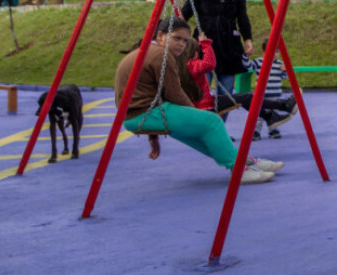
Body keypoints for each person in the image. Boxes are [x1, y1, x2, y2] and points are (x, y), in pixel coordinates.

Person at [115, 17, 282, 184]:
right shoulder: (161, 55)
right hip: (147, 113)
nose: (181, 44)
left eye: (185, 40)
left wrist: (154, 137)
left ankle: (246, 162)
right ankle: (239, 170)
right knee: (211, 121)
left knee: (201, 134)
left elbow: (150, 95)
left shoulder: (146, 51)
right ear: (160, 36)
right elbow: (174, 93)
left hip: (138, 116)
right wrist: (197, 114)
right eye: (177, 38)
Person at [177, 34, 297, 139]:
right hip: (205, 106)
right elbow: (209, 63)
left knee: (245, 98)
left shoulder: (180, 65)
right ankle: (282, 107)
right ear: (194, 53)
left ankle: (271, 116)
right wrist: (205, 44)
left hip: (205, 102)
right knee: (247, 98)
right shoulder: (191, 65)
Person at [182, 0, 253, 111]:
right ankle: (203, 123)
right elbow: (184, 14)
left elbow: (242, 17)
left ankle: (220, 125)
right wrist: (174, 33)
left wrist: (248, 39)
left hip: (228, 47)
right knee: (201, 92)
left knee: (226, 94)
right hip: (203, 45)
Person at [241, 38, 297, 139]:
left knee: (273, 112)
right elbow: (248, 65)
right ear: (264, 51)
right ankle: (256, 131)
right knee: (259, 114)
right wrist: (246, 56)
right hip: (262, 95)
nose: (275, 54)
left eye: (277, 52)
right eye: (272, 51)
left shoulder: (279, 64)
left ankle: (273, 130)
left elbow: (283, 77)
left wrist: (285, 71)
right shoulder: (259, 62)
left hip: (275, 94)